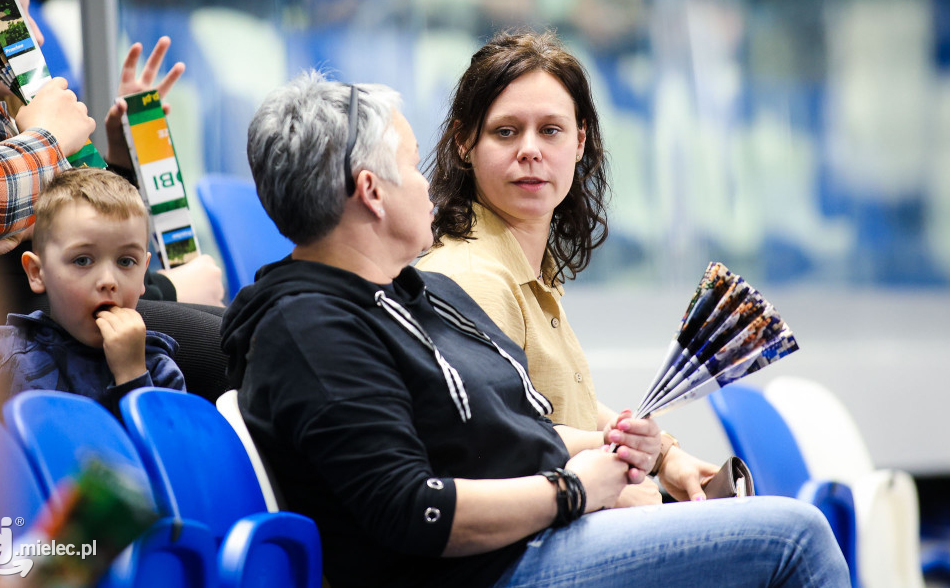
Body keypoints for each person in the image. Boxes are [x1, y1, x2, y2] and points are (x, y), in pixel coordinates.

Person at [222, 71, 850, 588]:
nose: (429, 188)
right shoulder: (310, 328)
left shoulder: (408, 295)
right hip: (491, 570)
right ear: (373, 192)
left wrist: (636, 452)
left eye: (552, 130)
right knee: (795, 536)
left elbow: (506, 427)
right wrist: (571, 491)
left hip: (533, 541)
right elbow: (415, 509)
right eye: (413, 170)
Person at [0, 0, 228, 399]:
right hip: (14, 342)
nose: (36, 37)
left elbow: (86, 229)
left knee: (237, 331)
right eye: (13, 17)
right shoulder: (8, 124)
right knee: (231, 345)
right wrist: (165, 293)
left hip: (61, 320)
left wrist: (122, 158)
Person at [417, 29, 719, 504]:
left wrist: (663, 454)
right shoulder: (470, 277)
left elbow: (558, 409)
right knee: (794, 533)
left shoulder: (525, 264)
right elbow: (509, 444)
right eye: (505, 131)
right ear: (463, 142)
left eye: (550, 130)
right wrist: (642, 486)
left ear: (579, 142)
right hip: (532, 553)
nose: (530, 150)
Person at [0, 167, 185, 417]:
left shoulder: (158, 371)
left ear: (143, 274)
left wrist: (132, 375)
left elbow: (169, 453)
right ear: (37, 273)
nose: (108, 281)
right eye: (83, 260)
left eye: (126, 262)